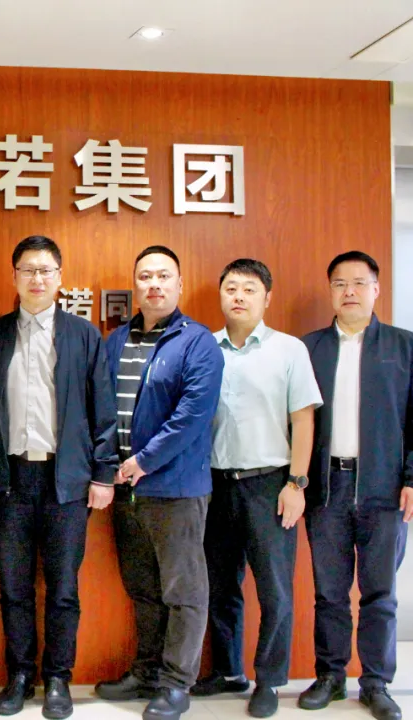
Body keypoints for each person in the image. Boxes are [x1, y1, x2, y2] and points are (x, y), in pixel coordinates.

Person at [0, 236, 118, 719]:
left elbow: (103, 411)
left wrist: (103, 474)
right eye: (28, 270)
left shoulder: (83, 335)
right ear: (13, 276)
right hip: (9, 480)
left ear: (60, 277)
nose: (37, 278)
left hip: (67, 481)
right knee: (13, 586)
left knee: (62, 588)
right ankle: (20, 675)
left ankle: (58, 677)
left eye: (46, 270)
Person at [93, 246, 223, 720]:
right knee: (143, 588)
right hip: (125, 489)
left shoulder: (197, 342)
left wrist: (143, 461)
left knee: (183, 591)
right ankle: (146, 671)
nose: (154, 284)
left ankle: (176, 683)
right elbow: (101, 408)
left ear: (179, 284)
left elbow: (192, 416)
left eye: (164, 276)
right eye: (146, 276)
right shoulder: (115, 341)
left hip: (176, 490)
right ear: (135, 285)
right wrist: (109, 467)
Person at [193, 258, 321, 719]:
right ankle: (228, 671)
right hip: (214, 485)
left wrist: (297, 483)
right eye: (231, 288)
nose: (239, 296)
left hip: (271, 484)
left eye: (249, 289)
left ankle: (269, 679)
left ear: (267, 297)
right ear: (221, 295)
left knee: (275, 591)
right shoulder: (204, 348)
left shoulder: (289, 350)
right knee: (219, 585)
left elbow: (303, 420)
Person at [298, 251, 412, 720]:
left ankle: (376, 682)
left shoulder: (404, 347)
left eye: (359, 283)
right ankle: (330, 675)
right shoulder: (309, 349)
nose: (349, 291)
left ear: (376, 289)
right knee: (329, 591)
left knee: (379, 592)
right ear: (330, 291)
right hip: (327, 488)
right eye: (340, 283)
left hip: (385, 488)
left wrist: (412, 477)